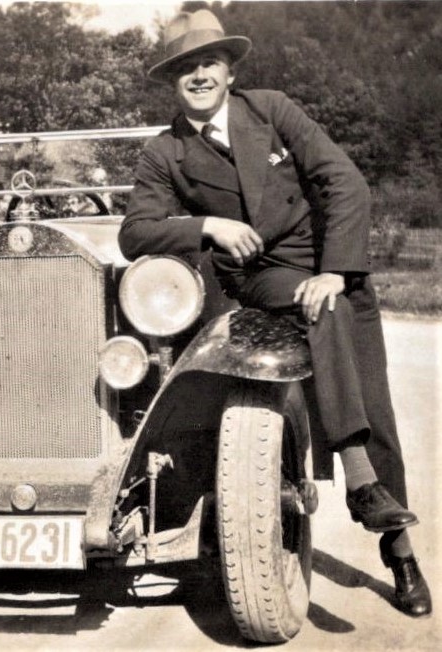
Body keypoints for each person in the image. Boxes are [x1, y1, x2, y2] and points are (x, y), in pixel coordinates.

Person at [118, 9, 432, 617]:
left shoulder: (272, 110)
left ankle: (399, 554)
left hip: (333, 268)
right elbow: (136, 232)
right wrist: (207, 225)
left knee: (375, 411)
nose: (199, 75)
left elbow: (346, 184)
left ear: (230, 71)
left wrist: (335, 271)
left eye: (209, 62)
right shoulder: (165, 151)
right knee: (278, 350)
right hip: (263, 279)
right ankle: (357, 482)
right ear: (173, 82)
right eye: (185, 68)